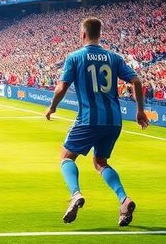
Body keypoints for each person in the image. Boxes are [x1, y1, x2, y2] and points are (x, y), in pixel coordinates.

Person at [45, 18, 149, 227]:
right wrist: (140, 111)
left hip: (88, 118)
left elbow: (62, 87)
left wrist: (52, 106)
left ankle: (75, 194)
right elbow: (137, 81)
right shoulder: (113, 57)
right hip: (113, 120)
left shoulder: (75, 57)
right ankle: (123, 200)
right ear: (99, 34)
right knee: (100, 162)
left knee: (66, 157)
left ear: (83, 34)